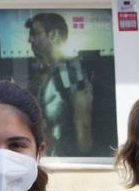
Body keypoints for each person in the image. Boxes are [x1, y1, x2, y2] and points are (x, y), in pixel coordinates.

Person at [26, 12, 95, 158]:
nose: (30, 40)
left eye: (36, 33)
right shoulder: (43, 74)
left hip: (65, 159)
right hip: (44, 159)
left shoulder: (70, 71)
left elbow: (83, 126)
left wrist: (82, 164)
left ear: (54, 35)